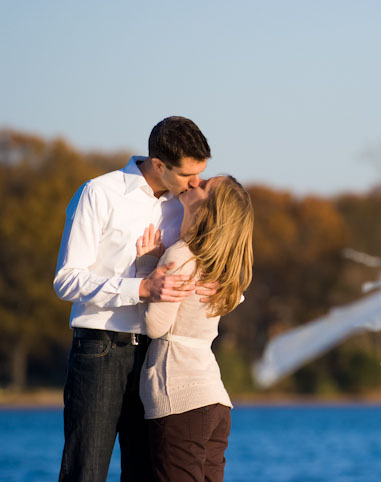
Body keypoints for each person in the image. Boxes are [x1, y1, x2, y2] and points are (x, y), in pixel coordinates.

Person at [54, 116, 215, 482]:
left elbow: (219, 255)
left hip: (156, 361)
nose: (196, 184)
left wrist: (224, 288)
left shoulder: (186, 204)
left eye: (199, 174)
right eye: (188, 176)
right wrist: (141, 289)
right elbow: (66, 281)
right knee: (86, 471)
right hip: (100, 352)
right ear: (159, 165)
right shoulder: (98, 193)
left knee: (145, 473)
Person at [134, 175, 253, 482]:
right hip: (215, 401)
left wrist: (147, 268)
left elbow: (155, 326)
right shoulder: (221, 268)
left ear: (210, 209)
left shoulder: (180, 255)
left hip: (180, 399)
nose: (194, 182)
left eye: (204, 186)